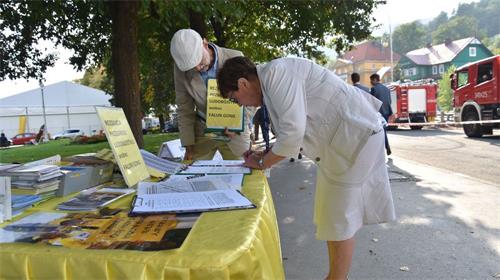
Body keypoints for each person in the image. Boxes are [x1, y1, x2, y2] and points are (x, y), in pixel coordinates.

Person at [217, 57, 396, 279]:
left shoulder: (276, 74)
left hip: (355, 139)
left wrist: (263, 163)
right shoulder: (270, 83)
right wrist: (266, 153)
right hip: (341, 145)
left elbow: (292, 135)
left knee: (339, 218)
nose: (240, 104)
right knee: (330, 216)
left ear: (243, 83)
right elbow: (290, 134)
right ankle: (335, 276)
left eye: (235, 99)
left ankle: (336, 278)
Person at [170, 29, 252, 160]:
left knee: (243, 171)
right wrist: (188, 145)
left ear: (205, 44)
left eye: (199, 60)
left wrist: (239, 124)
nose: (197, 68)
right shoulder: (180, 70)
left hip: (234, 131)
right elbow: (184, 108)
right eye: (192, 66)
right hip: (203, 129)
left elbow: (252, 96)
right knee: (192, 172)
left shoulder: (235, 57)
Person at [370, 73, 393, 156]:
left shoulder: (374, 89)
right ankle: (386, 148)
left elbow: (371, 102)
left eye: (371, 80)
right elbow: (390, 101)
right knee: (383, 131)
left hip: (378, 114)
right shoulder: (387, 89)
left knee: (381, 132)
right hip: (386, 112)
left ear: (375, 80)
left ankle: (386, 148)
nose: (371, 82)